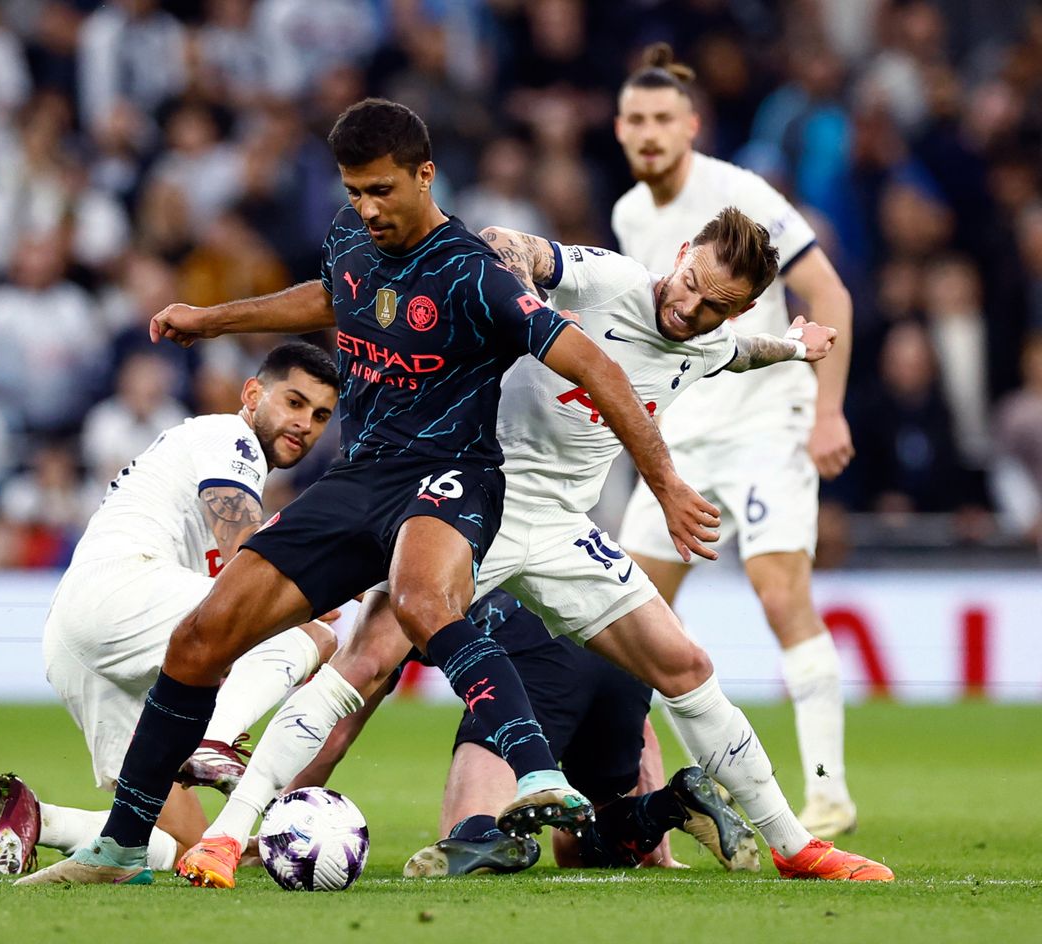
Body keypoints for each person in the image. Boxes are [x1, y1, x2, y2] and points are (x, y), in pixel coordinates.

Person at [18, 98, 719, 887]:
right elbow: (331, 296)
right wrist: (213, 321)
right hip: (363, 474)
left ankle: (535, 773)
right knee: (199, 639)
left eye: (382, 189)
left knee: (423, 602)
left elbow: (595, 366)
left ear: (426, 175)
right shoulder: (354, 240)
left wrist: (664, 485)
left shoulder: (475, 274)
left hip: (455, 474)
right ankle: (119, 846)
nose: (368, 208)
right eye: (355, 191)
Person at [174, 210, 893, 886]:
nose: (688, 308)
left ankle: (797, 848)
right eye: (691, 283)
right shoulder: (608, 279)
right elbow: (502, 242)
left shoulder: (707, 338)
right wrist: (531, 306)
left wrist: (797, 347)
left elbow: (736, 354)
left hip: (557, 525)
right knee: (361, 664)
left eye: (713, 304)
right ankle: (227, 837)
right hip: (469, 498)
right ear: (679, 257)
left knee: (686, 664)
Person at [611, 44, 860, 837]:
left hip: (765, 417)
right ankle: (678, 792)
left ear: (690, 124)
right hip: (680, 429)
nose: (649, 133)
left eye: (663, 119)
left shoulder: (740, 193)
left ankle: (827, 792)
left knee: (779, 592)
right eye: (636, 119)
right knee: (631, 616)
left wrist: (828, 411)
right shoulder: (627, 214)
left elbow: (828, 292)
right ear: (619, 128)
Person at [0, 343, 340, 876]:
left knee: (188, 843)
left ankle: (40, 818)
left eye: (319, 416)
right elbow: (248, 546)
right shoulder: (230, 437)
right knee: (310, 634)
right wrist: (323, 582)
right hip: (125, 588)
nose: (304, 425)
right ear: (252, 394)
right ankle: (215, 740)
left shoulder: (206, 447)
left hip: (75, 636)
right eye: (294, 402)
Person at [402, 590, 761, 877]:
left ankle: (488, 836)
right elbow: (645, 730)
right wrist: (658, 847)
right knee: (576, 851)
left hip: (529, 640)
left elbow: (367, 668)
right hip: (617, 642)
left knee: (467, 833)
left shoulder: (408, 570)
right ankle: (672, 804)